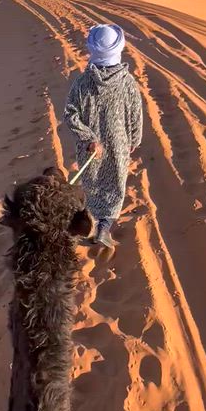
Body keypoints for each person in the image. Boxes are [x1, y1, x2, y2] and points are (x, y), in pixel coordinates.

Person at [64, 24, 143, 248]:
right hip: (119, 145)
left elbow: (70, 114)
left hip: (89, 148)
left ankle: (89, 225)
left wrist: (88, 139)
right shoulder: (128, 83)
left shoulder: (81, 83)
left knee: (91, 184)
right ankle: (103, 229)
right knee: (114, 186)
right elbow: (135, 116)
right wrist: (133, 140)